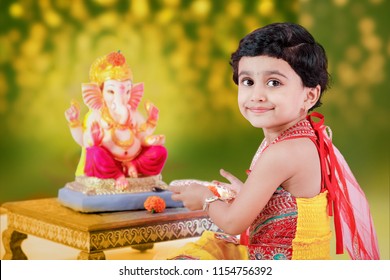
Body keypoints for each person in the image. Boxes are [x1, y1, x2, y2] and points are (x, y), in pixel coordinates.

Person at [166, 22, 380, 260]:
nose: (257, 95)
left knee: (182, 262)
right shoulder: (307, 136)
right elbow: (289, 201)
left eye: (274, 83)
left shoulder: (283, 152)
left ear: (309, 95)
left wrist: (204, 197)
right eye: (248, 82)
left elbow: (232, 222)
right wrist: (246, 194)